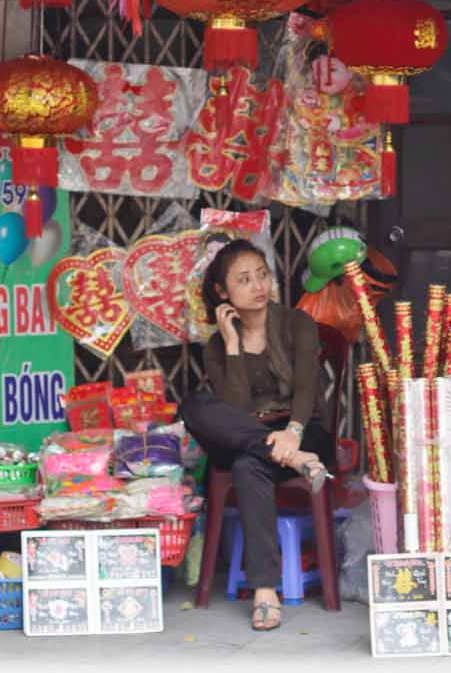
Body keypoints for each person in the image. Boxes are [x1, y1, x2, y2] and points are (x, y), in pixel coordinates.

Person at [179, 238, 335, 632]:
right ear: (222, 292)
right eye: (244, 280)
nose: (258, 286)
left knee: (250, 465)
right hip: (255, 434)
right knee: (193, 405)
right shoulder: (218, 345)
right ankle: (266, 589)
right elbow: (236, 413)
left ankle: (264, 590)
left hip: (304, 431)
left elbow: (305, 387)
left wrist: (294, 435)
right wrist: (233, 348)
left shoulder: (296, 322)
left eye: (262, 275)